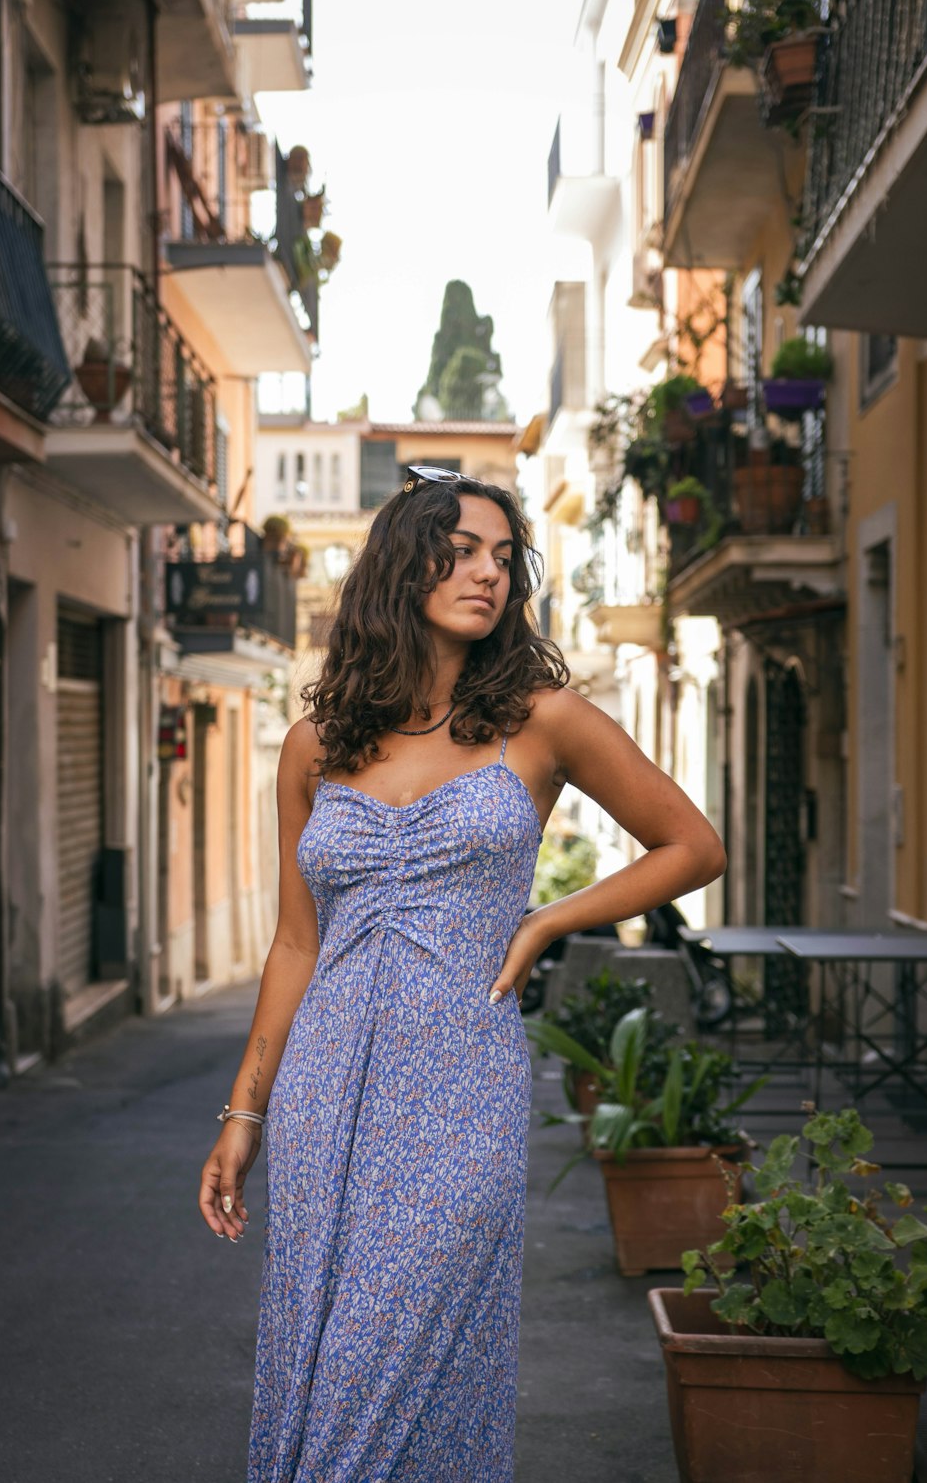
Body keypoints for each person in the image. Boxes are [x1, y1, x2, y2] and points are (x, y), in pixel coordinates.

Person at [198, 466, 726, 1481]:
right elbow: (296, 945)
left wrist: (543, 922)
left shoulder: (544, 720)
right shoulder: (315, 745)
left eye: (502, 555)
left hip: (457, 1087)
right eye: (463, 549)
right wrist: (243, 1114)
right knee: (318, 1347)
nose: (488, 572)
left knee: (386, 1365)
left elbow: (690, 846)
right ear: (404, 566)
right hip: (323, 1090)